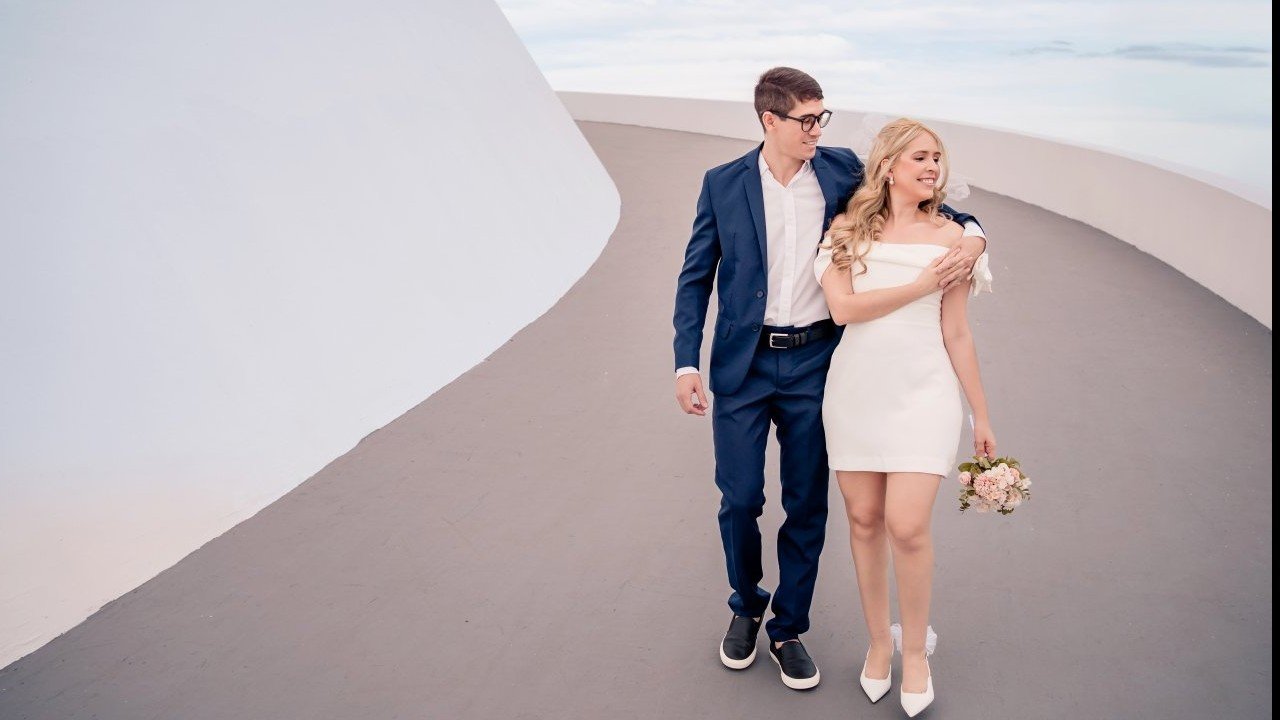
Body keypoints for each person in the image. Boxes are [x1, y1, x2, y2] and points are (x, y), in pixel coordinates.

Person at [672, 67, 988, 691]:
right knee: (740, 497)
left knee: (808, 502)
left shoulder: (840, 169)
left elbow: (924, 199)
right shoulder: (723, 183)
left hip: (816, 363)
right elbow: (695, 276)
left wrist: (975, 238)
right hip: (742, 365)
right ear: (770, 120)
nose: (818, 129)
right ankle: (746, 605)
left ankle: (789, 628)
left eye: (823, 118)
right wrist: (686, 362)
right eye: (807, 119)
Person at [814, 117, 996, 716]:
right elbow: (843, 310)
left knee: (908, 525)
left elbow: (957, 331)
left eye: (937, 158)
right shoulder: (846, 231)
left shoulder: (955, 239)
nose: (932, 167)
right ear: (889, 166)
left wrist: (981, 416)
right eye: (920, 157)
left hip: (925, 392)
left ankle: (914, 651)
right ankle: (877, 643)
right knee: (863, 520)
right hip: (856, 391)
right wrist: (920, 285)